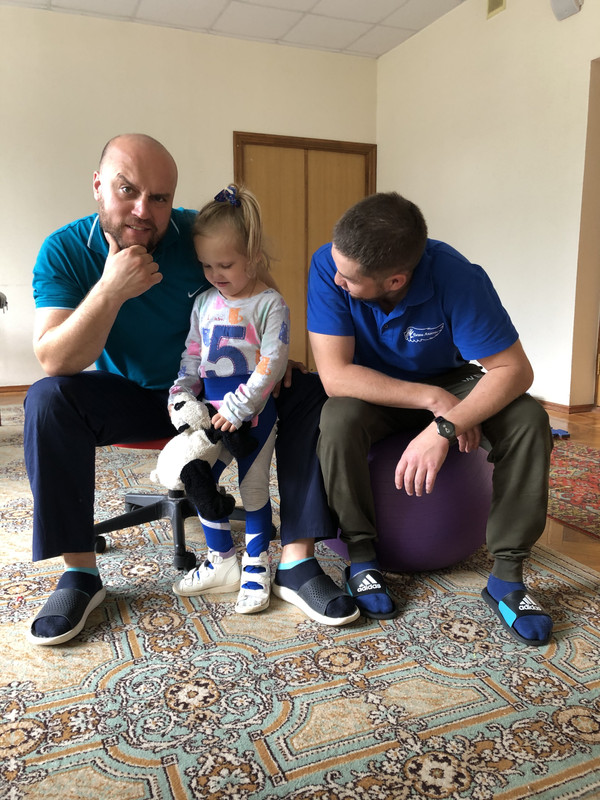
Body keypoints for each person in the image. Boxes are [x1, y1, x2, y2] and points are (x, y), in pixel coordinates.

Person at [25, 133, 359, 646]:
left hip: (221, 393)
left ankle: (296, 561)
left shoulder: (198, 233)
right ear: (98, 186)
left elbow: (256, 286)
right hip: (137, 397)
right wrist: (111, 289)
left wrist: (269, 353)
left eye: (159, 197)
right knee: (47, 399)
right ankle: (79, 574)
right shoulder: (65, 251)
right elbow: (54, 358)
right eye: (127, 190)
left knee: (308, 388)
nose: (144, 210)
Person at [306, 191, 554, 645]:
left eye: (350, 278)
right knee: (337, 418)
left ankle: (506, 578)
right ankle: (361, 559)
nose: (337, 279)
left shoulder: (456, 276)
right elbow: (336, 376)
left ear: (396, 279)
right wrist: (430, 398)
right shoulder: (329, 264)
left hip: (452, 380)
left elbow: (515, 370)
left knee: (529, 420)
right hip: (375, 386)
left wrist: (445, 426)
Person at [169, 184, 289, 614]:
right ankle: (221, 560)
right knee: (198, 476)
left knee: (253, 489)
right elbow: (193, 353)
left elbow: (272, 362)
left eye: (225, 264)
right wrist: (182, 391)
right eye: (206, 265)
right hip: (211, 414)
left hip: (253, 414)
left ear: (253, 257)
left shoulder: (270, 304)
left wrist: (241, 406)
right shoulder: (203, 302)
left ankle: (257, 563)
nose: (216, 274)